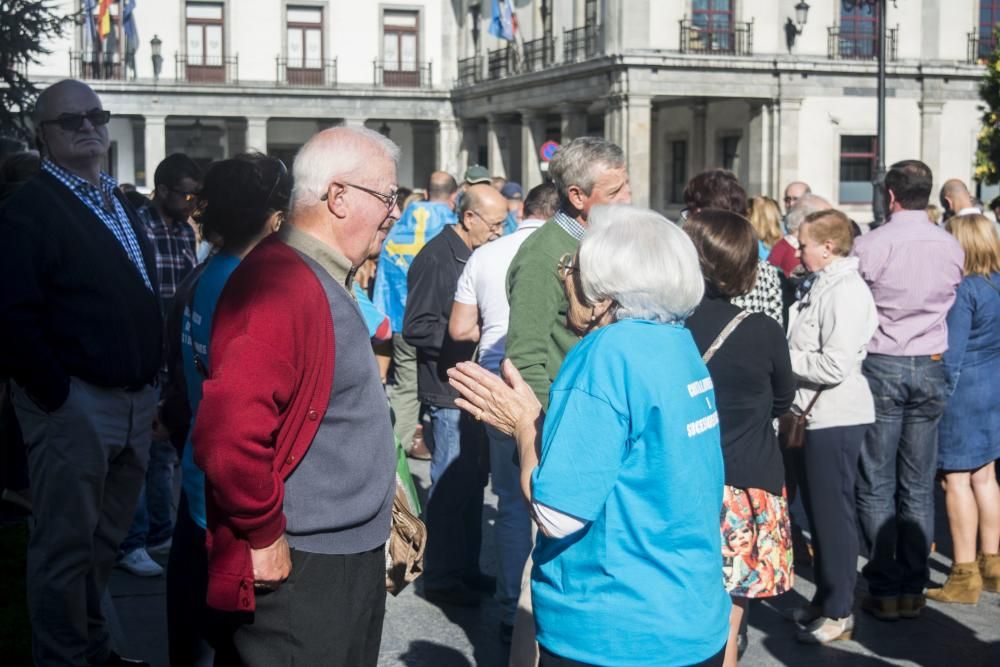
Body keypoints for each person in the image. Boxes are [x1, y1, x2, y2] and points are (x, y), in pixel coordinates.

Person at [448, 204, 729, 667]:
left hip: (615, 627)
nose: (565, 279)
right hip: (689, 613)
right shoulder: (677, 342)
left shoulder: (605, 354)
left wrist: (522, 426)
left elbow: (557, 513)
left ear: (605, 293)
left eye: (572, 268)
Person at [192, 126, 399, 665]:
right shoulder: (280, 283)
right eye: (388, 198)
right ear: (338, 197)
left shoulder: (318, 276)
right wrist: (262, 534)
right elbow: (227, 434)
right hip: (304, 567)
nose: (395, 213)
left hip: (336, 558)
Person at [0, 79, 161, 666]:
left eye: (97, 115)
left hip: (133, 402)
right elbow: (12, 314)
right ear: (42, 135)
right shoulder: (29, 210)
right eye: (72, 121)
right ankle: (63, 657)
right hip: (77, 406)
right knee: (65, 548)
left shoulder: (115, 200)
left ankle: (93, 648)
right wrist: (58, 395)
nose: (89, 126)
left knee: (104, 542)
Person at [504, 137, 630, 662]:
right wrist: (547, 433)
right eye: (617, 190)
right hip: (561, 433)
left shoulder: (600, 241)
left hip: (595, 427)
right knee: (547, 570)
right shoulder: (542, 257)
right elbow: (524, 358)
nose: (628, 197)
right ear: (578, 196)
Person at [167, 153, 289, 666]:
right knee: (232, 641)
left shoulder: (205, 274)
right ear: (274, 219)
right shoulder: (250, 287)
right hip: (232, 497)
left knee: (191, 624)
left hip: (200, 482)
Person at [852, 159, 965, 621]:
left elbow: (856, 301)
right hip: (931, 360)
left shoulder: (872, 244)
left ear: (891, 196)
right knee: (917, 483)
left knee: (877, 480)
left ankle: (884, 584)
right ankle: (912, 586)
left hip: (884, 362)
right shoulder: (950, 244)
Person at [683, 209, 796, 666]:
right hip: (745, 482)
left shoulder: (666, 327)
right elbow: (782, 401)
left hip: (681, 479)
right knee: (731, 603)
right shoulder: (763, 330)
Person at [448, 182, 559, 641]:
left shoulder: (487, 252)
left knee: (512, 503)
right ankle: (548, 605)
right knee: (557, 501)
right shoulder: (567, 251)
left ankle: (513, 608)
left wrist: (490, 332)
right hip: (551, 385)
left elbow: (459, 328)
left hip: (495, 388)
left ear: (523, 210)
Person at [403, 183, 508, 606]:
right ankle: (442, 578)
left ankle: (466, 570)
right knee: (448, 489)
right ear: (469, 218)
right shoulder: (435, 257)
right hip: (447, 390)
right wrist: (472, 334)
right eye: (496, 224)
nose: (501, 232)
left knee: (469, 485)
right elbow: (416, 327)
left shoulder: (473, 253)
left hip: (470, 387)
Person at [784, 209, 878, 642]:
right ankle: (826, 598)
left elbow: (836, 364)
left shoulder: (846, 290)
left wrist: (782, 362)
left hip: (836, 416)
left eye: (803, 244)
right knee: (819, 517)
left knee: (832, 515)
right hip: (813, 414)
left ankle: (840, 610)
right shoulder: (821, 282)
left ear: (829, 247)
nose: (796, 250)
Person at [118, 152, 203, 578]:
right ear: (163, 191)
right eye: (185, 194)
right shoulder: (140, 227)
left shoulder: (185, 234)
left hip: (177, 351)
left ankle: (159, 532)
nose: (191, 203)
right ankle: (131, 540)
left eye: (195, 195)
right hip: (148, 351)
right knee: (141, 449)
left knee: (165, 453)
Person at [926, 213, 1000, 604]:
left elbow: (950, 358)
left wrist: (936, 398)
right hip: (993, 389)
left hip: (964, 393)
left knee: (956, 481)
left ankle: (963, 575)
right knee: (985, 477)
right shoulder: (997, 284)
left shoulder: (964, 292)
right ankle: (992, 565)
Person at [373, 171, 458, 458]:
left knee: (406, 388)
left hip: (399, 317)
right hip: (442, 324)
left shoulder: (400, 224)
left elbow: (383, 275)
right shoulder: (452, 226)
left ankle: (395, 443)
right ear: (454, 196)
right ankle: (393, 456)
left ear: (425, 193)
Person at [683, 169, 784, 326]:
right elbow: (775, 328)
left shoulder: (689, 269)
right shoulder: (765, 271)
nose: (686, 219)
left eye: (690, 211)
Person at [768, 194, 832, 279]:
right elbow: (770, 273)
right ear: (806, 220)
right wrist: (790, 277)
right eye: (826, 219)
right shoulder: (783, 246)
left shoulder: (822, 247)